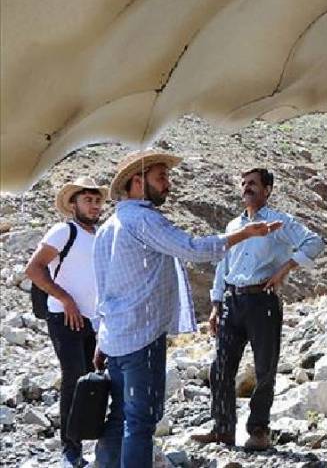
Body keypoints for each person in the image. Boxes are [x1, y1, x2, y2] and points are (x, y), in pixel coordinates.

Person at [92, 149, 281, 468]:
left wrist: (101, 336)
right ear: (137, 182)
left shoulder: (110, 224)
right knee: (140, 422)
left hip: (116, 337)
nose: (168, 184)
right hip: (141, 337)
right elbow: (192, 248)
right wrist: (244, 234)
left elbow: (103, 289)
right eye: (161, 178)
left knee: (120, 417)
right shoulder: (144, 220)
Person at [192, 168, 324, 450]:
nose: (246, 188)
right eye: (243, 183)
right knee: (220, 368)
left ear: (267, 189)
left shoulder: (280, 221)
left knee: (265, 368)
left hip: (262, 302)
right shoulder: (233, 227)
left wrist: (286, 269)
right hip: (233, 301)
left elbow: (314, 242)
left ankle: (259, 430)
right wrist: (216, 305)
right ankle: (223, 429)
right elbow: (223, 266)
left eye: (252, 183)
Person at [24, 176, 108, 467]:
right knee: (74, 375)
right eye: (88, 200)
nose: (94, 205)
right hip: (63, 315)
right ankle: (70, 448)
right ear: (74, 203)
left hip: (92, 319)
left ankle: (87, 439)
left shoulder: (100, 235)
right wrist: (66, 299)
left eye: (97, 200)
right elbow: (33, 269)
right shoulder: (64, 230)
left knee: (91, 378)